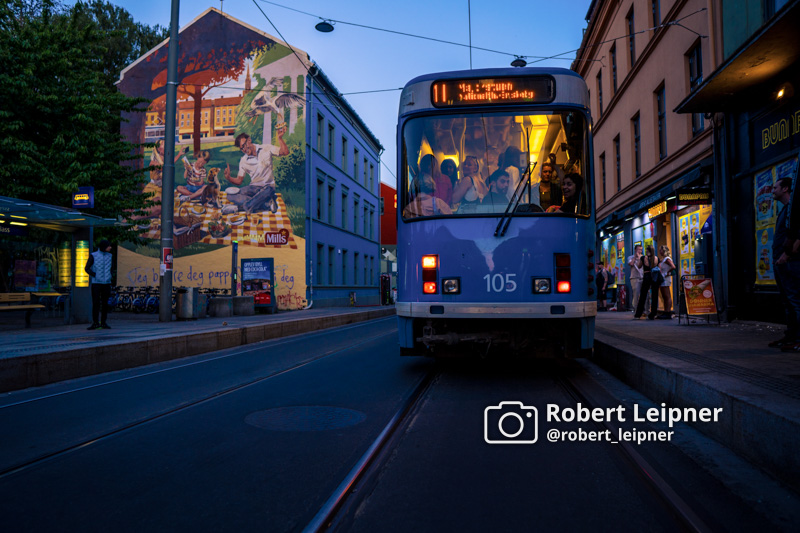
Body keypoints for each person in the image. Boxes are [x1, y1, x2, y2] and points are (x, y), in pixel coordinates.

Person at [224, 126, 289, 214]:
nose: (244, 149)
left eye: (244, 145)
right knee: (230, 196)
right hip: (253, 188)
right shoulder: (243, 160)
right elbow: (239, 181)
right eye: (241, 148)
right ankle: (265, 204)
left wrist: (280, 138)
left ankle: (241, 207)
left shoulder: (266, 148)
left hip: (268, 187)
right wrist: (229, 178)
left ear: (249, 140)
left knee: (267, 191)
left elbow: (285, 152)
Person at [769, 177, 800, 350]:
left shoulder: (793, 211)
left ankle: (797, 338)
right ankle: (791, 336)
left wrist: (787, 254)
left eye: (775, 187)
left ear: (785, 188)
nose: (773, 191)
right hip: (781, 262)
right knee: (788, 301)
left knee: (794, 300)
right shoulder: (786, 211)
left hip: (790, 262)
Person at [84, 239, 113, 330]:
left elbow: (112, 267)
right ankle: (95, 323)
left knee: (105, 304)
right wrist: (95, 275)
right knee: (96, 303)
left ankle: (103, 322)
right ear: (104, 246)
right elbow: (87, 268)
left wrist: (110, 275)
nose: (110, 247)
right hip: (96, 283)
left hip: (106, 283)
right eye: (108, 246)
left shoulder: (110, 256)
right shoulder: (93, 255)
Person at [634, 245, 660, 319]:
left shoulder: (643, 258)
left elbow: (639, 266)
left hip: (647, 276)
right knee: (655, 295)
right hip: (655, 277)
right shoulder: (656, 258)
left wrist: (639, 258)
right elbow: (659, 268)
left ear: (647, 251)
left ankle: (638, 314)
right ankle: (653, 313)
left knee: (643, 295)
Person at [657, 245, 676, 318]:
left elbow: (673, 266)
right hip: (663, 278)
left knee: (667, 295)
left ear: (664, 251)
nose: (659, 251)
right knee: (664, 295)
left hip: (665, 278)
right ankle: (665, 311)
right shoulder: (663, 259)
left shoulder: (667, 259)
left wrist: (667, 272)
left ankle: (668, 311)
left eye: (660, 250)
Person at [627, 244, 644, 312]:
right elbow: (631, 264)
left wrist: (639, 257)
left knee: (644, 293)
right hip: (634, 278)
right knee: (636, 293)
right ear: (635, 250)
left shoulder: (643, 257)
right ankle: (636, 309)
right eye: (638, 249)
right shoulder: (630, 257)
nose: (639, 251)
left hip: (642, 277)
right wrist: (635, 257)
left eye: (641, 250)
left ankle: (643, 308)